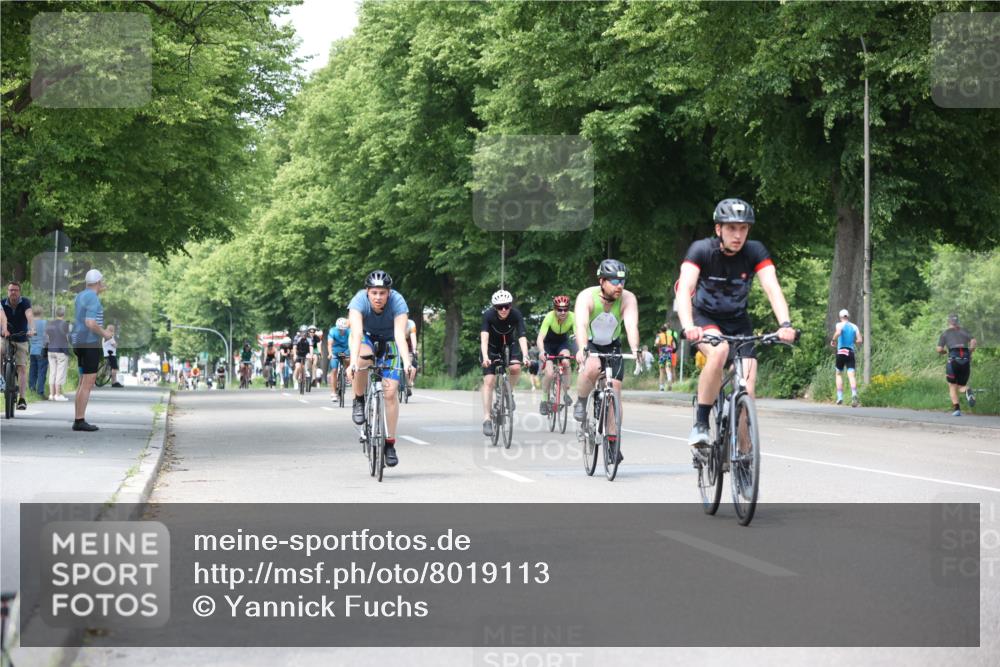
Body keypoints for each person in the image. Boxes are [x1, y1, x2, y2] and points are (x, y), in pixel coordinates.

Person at [677, 198, 796, 455]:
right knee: (719, 351)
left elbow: (772, 288)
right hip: (704, 318)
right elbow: (685, 288)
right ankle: (700, 424)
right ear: (718, 229)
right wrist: (688, 326)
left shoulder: (755, 252)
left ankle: (743, 455)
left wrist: (785, 324)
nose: (738, 235)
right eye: (731, 228)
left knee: (747, 390)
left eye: (743, 228)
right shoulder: (701, 250)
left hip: (739, 322)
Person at [572, 259, 641, 463]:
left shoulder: (628, 298)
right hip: (589, 342)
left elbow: (631, 326)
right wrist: (583, 350)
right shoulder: (587, 296)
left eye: (622, 281)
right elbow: (582, 325)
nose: (620, 286)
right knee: (592, 367)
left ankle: (612, 443)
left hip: (612, 344)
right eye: (614, 281)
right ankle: (582, 401)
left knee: (615, 390)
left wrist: (636, 349)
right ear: (602, 281)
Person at [347, 270, 413, 468]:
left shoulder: (398, 302)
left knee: (391, 393)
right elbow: (357, 333)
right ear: (367, 292)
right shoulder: (359, 301)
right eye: (374, 292)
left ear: (389, 293)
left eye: (382, 293)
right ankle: (358, 399)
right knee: (362, 360)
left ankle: (390, 444)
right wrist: (352, 363)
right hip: (365, 337)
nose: (378, 297)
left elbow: (400, 335)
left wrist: (407, 362)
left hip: (390, 340)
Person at [480, 289, 529, 437]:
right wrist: (485, 357)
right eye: (500, 307)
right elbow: (484, 339)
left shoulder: (516, 315)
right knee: (489, 380)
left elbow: (521, 336)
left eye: (506, 306)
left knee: (515, 367)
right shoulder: (488, 315)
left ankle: (508, 392)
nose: (503, 310)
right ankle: (487, 418)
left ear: (510, 306)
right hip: (491, 348)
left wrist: (526, 355)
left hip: (509, 345)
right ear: (495, 307)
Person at [71, 269, 113, 431]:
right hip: (89, 343)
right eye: (102, 281)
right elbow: (90, 322)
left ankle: (78, 418)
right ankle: (79, 420)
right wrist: (105, 334)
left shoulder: (81, 295)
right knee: (88, 383)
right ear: (98, 282)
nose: (104, 284)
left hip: (79, 342)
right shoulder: (93, 298)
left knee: (82, 382)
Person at [537, 295, 576, 416]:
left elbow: (578, 335)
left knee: (566, 362)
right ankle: (544, 399)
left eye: (565, 309)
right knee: (549, 373)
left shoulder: (573, 317)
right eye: (559, 309)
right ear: (555, 309)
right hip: (548, 345)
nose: (563, 312)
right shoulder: (549, 317)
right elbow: (540, 338)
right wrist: (542, 351)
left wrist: (581, 350)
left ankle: (565, 393)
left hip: (562, 344)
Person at [2, 282, 36, 410]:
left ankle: (22, 399)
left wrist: (31, 329)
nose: (13, 292)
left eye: (16, 290)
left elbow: (30, 316)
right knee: (0, 351)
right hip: (5, 337)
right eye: (11, 290)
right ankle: (1, 380)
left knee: (22, 368)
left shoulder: (25, 302)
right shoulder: (2, 303)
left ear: (19, 292)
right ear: (8, 291)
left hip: (21, 338)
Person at [937, 314, 978, 416]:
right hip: (965, 361)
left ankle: (957, 410)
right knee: (961, 385)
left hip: (953, 361)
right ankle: (967, 390)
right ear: (958, 322)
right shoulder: (965, 331)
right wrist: (971, 351)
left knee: (952, 385)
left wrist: (944, 352)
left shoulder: (945, 334)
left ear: (949, 322)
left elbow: (939, 349)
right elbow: (973, 341)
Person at [831, 308, 862, 407]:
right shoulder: (854, 327)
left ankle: (840, 397)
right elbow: (860, 340)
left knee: (839, 374)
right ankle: (854, 395)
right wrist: (853, 342)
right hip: (850, 352)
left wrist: (833, 340)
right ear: (848, 316)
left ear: (840, 317)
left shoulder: (839, 325)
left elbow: (839, 332)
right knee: (851, 375)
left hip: (841, 351)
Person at [46, 306, 71, 401]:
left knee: (52, 372)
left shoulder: (50, 324)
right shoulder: (65, 324)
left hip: (51, 349)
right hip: (61, 350)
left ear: (56, 314)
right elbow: (68, 337)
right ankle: (58, 394)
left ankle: (51, 394)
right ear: (63, 314)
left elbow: (47, 336)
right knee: (60, 372)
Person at [328, 317, 350, 401]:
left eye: (343, 329)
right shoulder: (333, 331)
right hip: (335, 351)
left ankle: (346, 374)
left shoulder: (349, 331)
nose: (342, 331)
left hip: (345, 351)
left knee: (348, 360)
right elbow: (329, 344)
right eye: (340, 329)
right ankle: (333, 393)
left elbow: (352, 342)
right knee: (334, 370)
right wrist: (330, 353)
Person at [29, 305, 48, 397]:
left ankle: (32, 389)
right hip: (42, 350)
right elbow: (47, 337)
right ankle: (40, 392)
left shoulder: (29, 323)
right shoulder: (45, 323)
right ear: (41, 312)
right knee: (42, 371)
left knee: (33, 370)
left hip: (32, 350)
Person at [655, 324, 676, 391]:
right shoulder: (670, 336)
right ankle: (669, 379)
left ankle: (661, 387)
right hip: (669, 354)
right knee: (668, 368)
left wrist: (659, 346)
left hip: (662, 353)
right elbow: (674, 347)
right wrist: (669, 348)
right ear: (666, 330)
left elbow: (656, 343)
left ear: (661, 330)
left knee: (661, 370)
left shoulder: (659, 335)